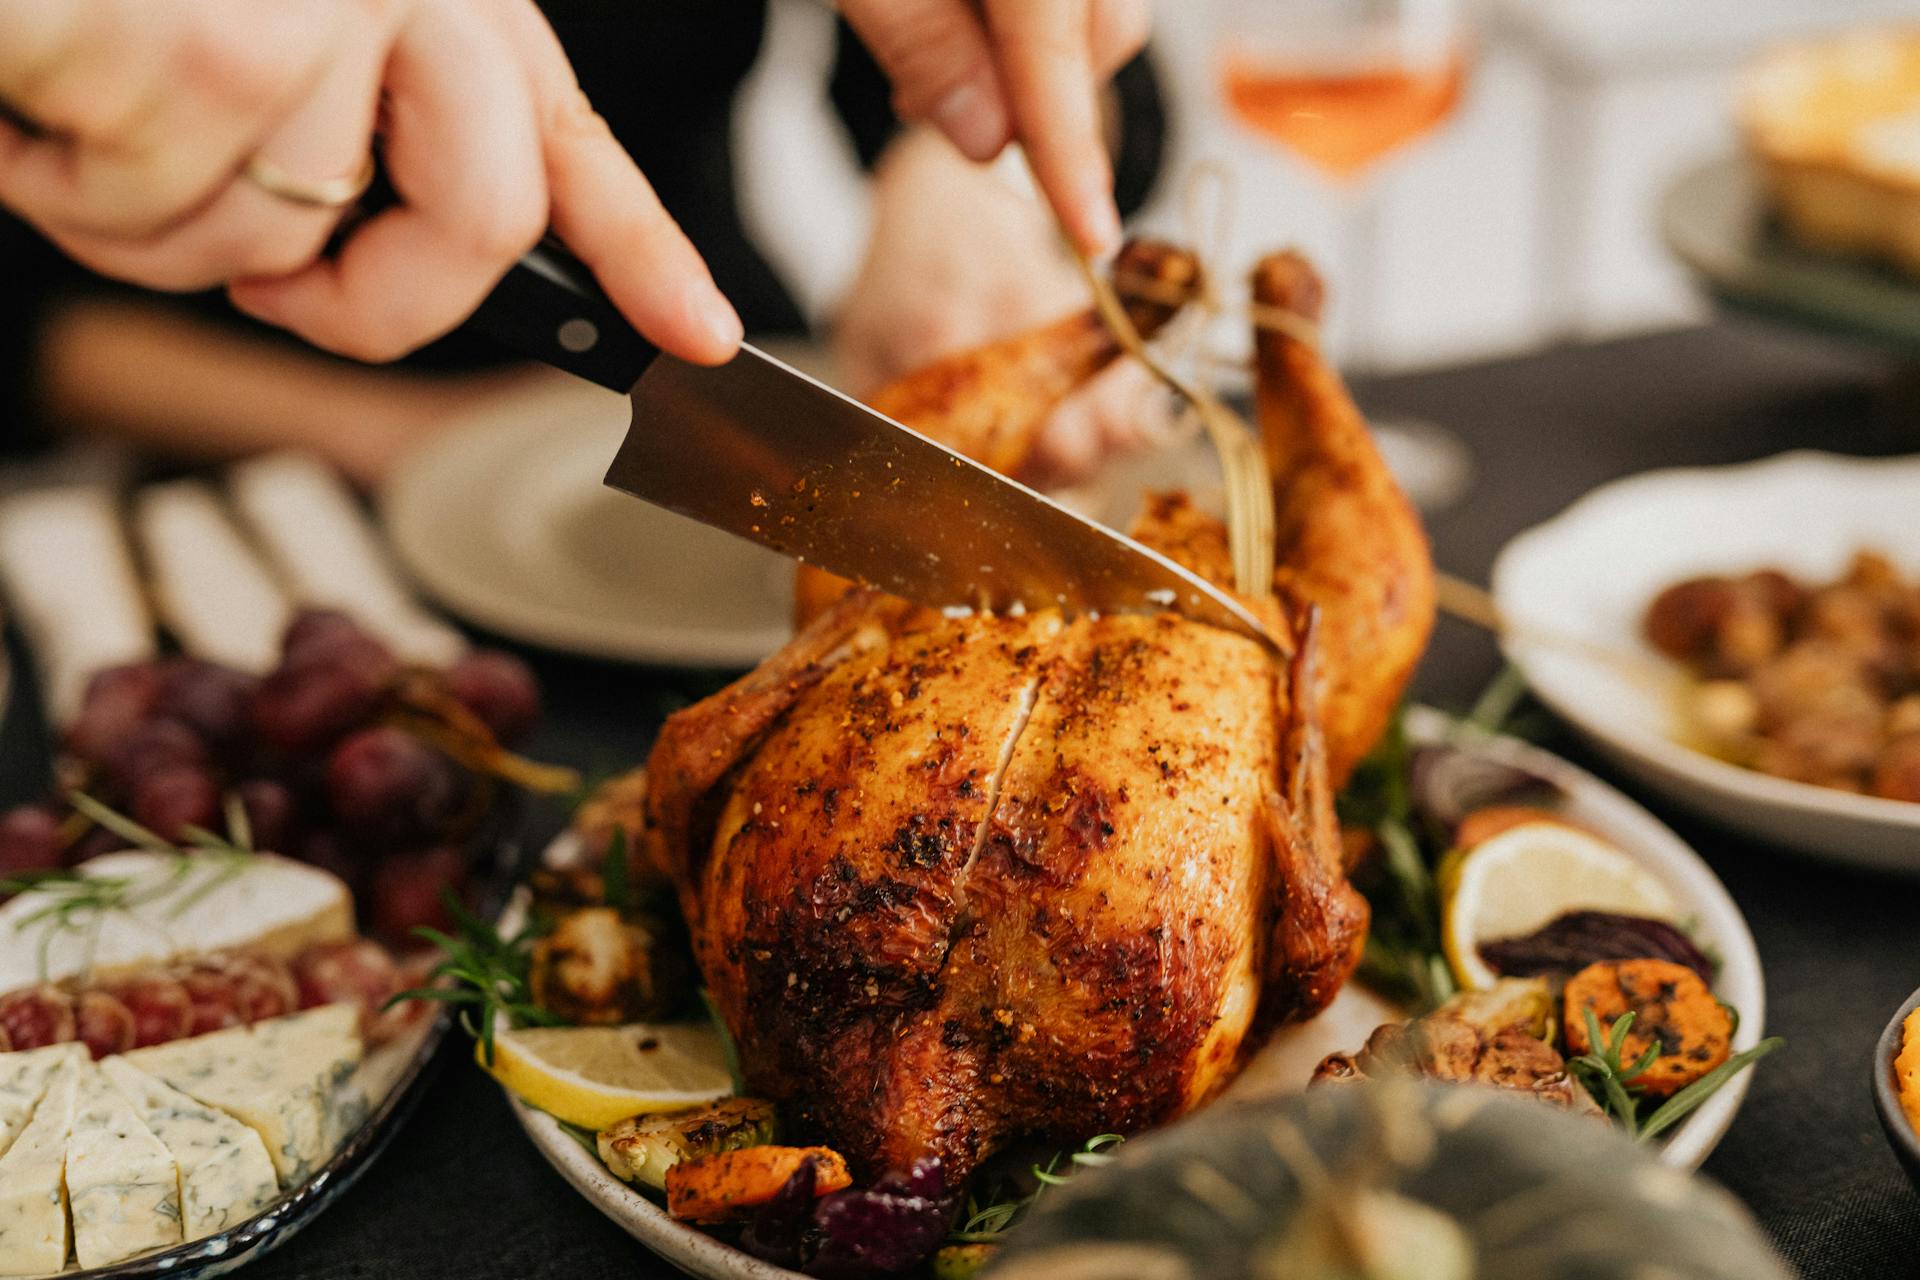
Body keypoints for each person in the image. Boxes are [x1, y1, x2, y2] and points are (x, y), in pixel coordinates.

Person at [0, 0, 1148, 367]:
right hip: (224, 457)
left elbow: (1103, 89)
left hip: (728, 378)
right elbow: (24, 323)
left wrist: (966, 176)